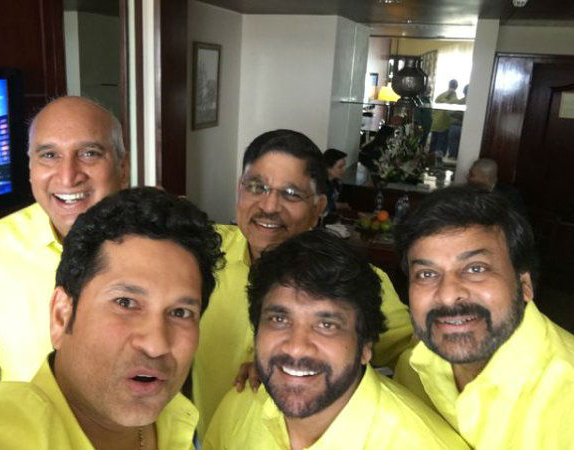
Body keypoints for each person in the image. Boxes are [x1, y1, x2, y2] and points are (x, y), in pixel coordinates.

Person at [192, 129, 413, 438]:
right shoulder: (203, 253)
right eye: (257, 187)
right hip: (209, 437)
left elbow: (416, 362)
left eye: (291, 194)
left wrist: (296, 369)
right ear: (239, 190)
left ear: (318, 208)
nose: (269, 206)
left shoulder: (356, 281)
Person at [0, 187, 224, 450]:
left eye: (180, 312)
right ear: (61, 316)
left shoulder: (176, 417)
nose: (156, 345)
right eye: (125, 303)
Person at [203, 230, 468, 450]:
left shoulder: (421, 443)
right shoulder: (242, 404)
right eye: (279, 319)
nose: (296, 347)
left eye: (326, 325)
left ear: (366, 347)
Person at [393, 185, 574, 450]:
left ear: (525, 285)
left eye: (476, 269)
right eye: (427, 274)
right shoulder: (412, 367)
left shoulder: (567, 397)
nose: (448, 295)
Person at [0, 96, 129, 386]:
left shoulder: (170, 247)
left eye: (89, 153)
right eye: (49, 155)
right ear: (30, 168)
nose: (68, 176)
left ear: (122, 168)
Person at [430, 79, 458, 159]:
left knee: (433, 144)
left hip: (435, 123)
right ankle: (437, 162)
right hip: (444, 125)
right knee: (440, 147)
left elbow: (436, 103)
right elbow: (453, 107)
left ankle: (429, 161)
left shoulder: (440, 95)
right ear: (456, 86)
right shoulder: (454, 96)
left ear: (449, 85)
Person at [322, 148, 348, 216]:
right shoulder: (319, 184)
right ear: (328, 168)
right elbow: (319, 206)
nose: (344, 170)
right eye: (340, 167)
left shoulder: (337, 182)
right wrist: (337, 205)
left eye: (344, 166)